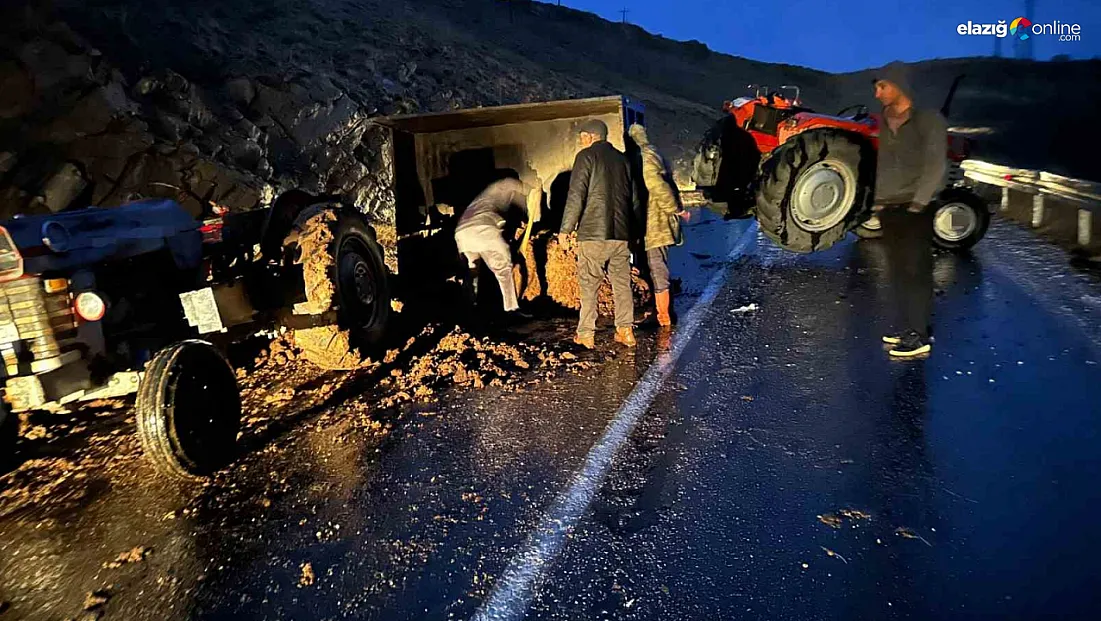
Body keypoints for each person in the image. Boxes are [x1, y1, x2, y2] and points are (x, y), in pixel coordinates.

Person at [872, 61, 947, 358]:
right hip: (889, 206)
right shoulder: (883, 119)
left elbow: (936, 163)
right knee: (898, 271)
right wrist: (878, 200)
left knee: (917, 271)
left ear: (900, 84)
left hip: (916, 206)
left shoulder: (928, 119)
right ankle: (908, 326)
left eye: (882, 86)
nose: (877, 93)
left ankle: (919, 335)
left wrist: (920, 201)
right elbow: (884, 164)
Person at [559, 119, 640, 349]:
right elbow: (634, 200)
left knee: (589, 283)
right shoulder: (623, 160)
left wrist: (566, 229)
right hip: (621, 234)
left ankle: (586, 334)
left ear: (591, 136)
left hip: (593, 234)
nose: (581, 140)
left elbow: (576, 195)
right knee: (622, 283)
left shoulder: (585, 157)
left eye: (583, 136)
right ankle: (625, 330)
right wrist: (634, 232)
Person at [628, 123, 691, 327]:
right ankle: (660, 311)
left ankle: (664, 317)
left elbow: (656, 185)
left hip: (654, 221)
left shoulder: (644, 156)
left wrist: (675, 209)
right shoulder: (649, 154)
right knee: (654, 265)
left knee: (656, 266)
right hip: (650, 220)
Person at [454, 175, 542, 318]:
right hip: (484, 229)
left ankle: (469, 310)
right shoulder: (507, 184)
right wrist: (535, 190)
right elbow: (527, 198)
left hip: (462, 232)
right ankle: (511, 309)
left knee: (471, 272)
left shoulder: (484, 197)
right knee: (504, 270)